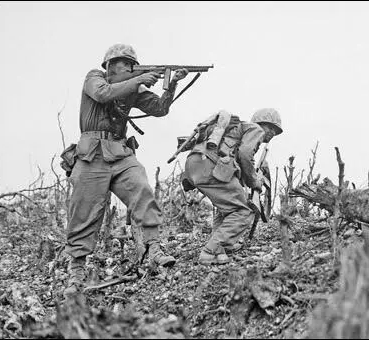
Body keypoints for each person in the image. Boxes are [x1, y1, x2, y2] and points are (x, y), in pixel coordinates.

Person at [63, 43, 188, 296]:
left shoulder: (131, 89)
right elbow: (102, 94)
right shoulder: (94, 77)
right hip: (91, 155)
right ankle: (76, 272)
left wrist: (172, 82)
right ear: (109, 65)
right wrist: (139, 79)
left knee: (141, 189)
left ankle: (153, 248)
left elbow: (159, 109)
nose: (129, 67)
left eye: (132, 64)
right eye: (124, 63)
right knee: (84, 211)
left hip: (120, 153)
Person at [182, 108, 283, 265]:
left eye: (276, 132)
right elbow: (245, 154)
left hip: (194, 164)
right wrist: (254, 181)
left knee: (227, 208)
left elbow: (237, 157)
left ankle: (221, 247)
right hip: (210, 164)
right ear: (262, 123)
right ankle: (211, 251)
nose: (272, 134)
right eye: (272, 128)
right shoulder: (255, 129)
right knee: (243, 211)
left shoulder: (235, 132)